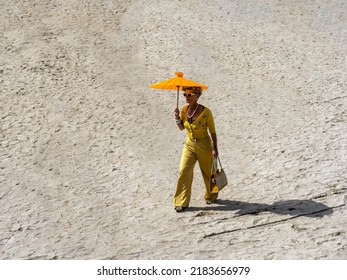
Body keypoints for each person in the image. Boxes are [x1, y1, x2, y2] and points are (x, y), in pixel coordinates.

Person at [173, 86, 219, 212]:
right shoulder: (183, 110)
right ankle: (180, 202)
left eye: (189, 95)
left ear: (197, 96)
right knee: (184, 171)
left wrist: (215, 148)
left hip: (205, 145)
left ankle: (212, 195)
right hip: (189, 145)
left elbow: (213, 132)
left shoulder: (206, 112)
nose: (186, 97)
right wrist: (177, 118)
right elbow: (182, 128)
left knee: (209, 172)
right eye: (184, 95)